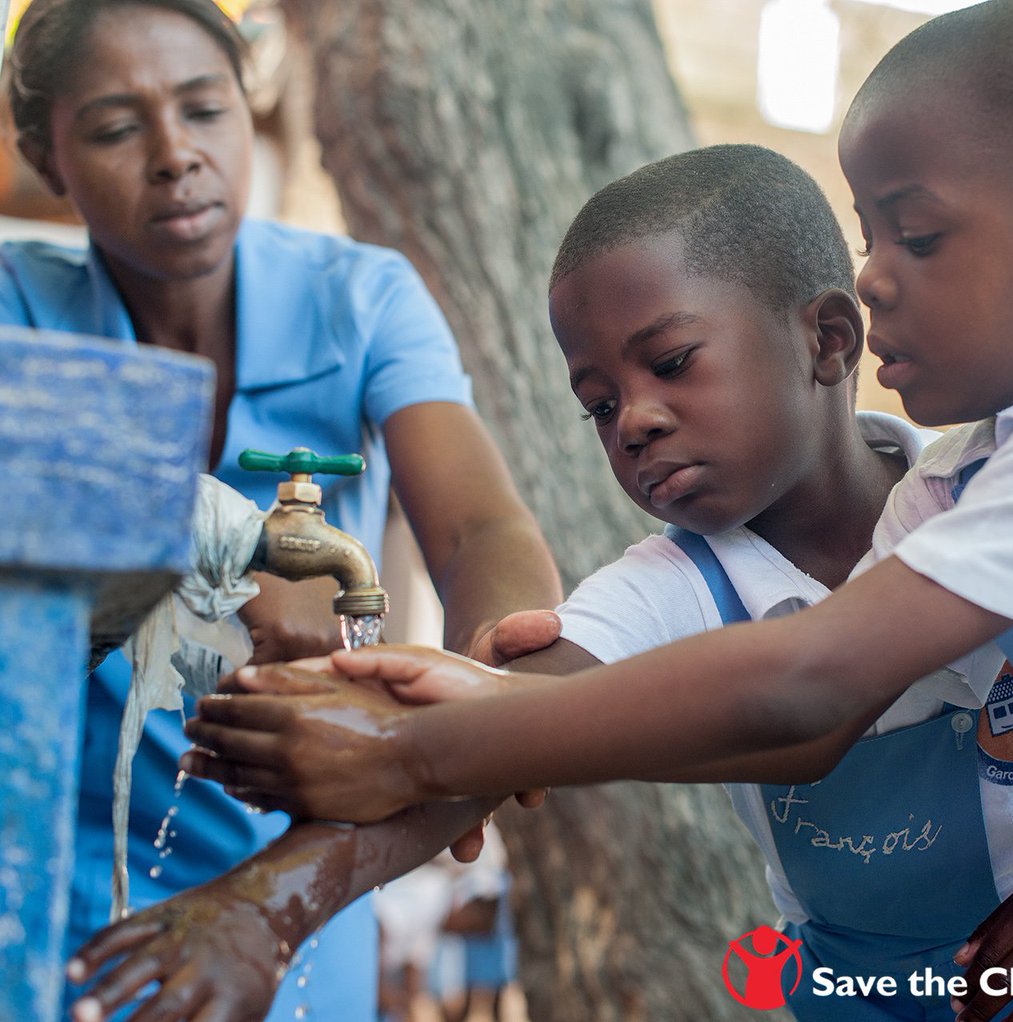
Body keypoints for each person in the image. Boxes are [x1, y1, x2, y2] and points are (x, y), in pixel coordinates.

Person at [183, 145, 1013, 1022]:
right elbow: (500, 731)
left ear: (826, 340)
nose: (634, 420)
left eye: (673, 363)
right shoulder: (671, 588)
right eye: (598, 405)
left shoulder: (990, 496)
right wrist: (268, 904)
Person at [0, 1, 561, 1020]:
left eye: (205, 109)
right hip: (52, 858)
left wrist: (489, 708)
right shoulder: (15, 308)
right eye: (120, 129)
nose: (177, 156)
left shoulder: (361, 299)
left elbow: (483, 532)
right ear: (46, 155)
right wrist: (235, 557)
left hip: (298, 872)